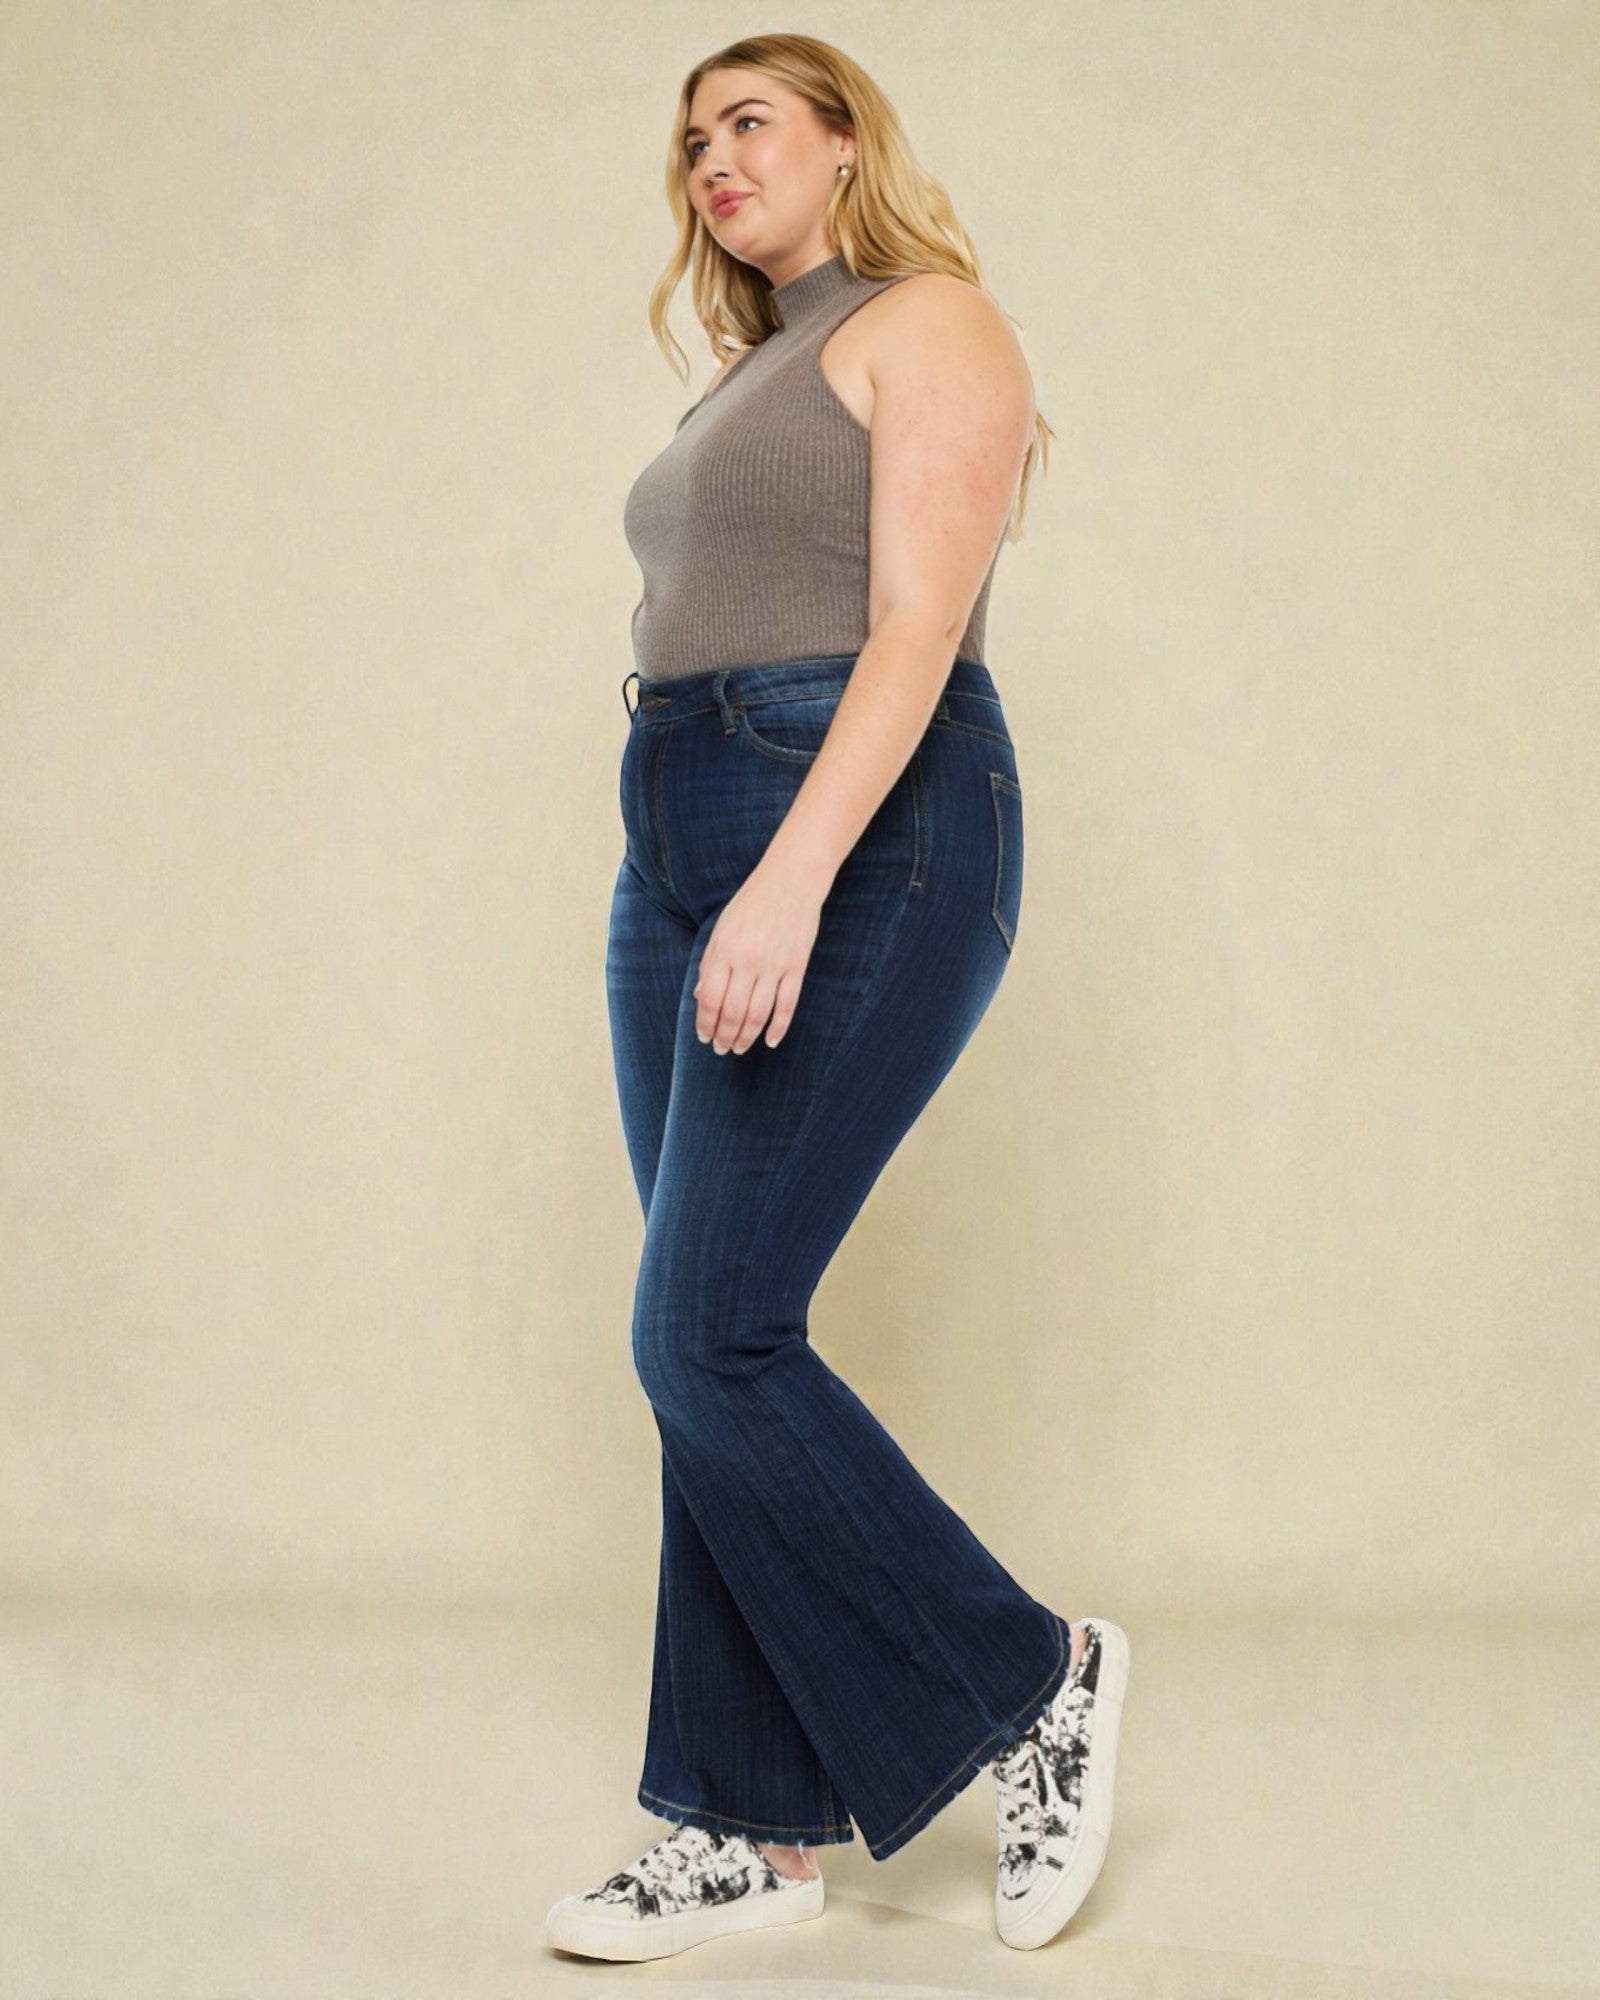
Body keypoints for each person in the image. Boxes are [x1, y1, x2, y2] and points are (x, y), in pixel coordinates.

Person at [545, 32, 1130, 1965]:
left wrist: (792, 868)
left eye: (751, 125)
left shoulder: (930, 320)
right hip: (680, 827)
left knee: (707, 1334)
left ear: (846, 143)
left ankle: (1033, 1677)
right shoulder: (751, 370)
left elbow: (919, 622)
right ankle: (750, 1827)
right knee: (695, 1333)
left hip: (856, 820)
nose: (712, 160)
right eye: (691, 139)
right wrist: (706, 857)